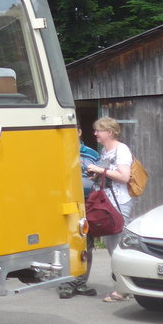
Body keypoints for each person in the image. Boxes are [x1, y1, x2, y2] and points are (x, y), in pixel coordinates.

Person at [85, 116, 134, 303]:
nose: (95, 133)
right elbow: (108, 175)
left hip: (118, 201)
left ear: (110, 132)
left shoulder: (121, 150)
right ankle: (123, 286)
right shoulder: (105, 151)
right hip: (106, 202)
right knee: (111, 245)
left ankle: (124, 289)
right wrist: (95, 175)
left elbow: (124, 177)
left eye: (99, 130)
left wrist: (100, 170)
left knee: (117, 246)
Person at [60, 128, 103, 298]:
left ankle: (81, 283)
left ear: (79, 132)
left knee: (87, 243)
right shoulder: (59, 151)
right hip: (67, 202)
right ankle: (66, 284)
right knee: (68, 243)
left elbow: (101, 176)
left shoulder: (92, 154)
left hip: (87, 202)